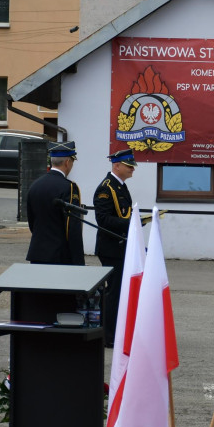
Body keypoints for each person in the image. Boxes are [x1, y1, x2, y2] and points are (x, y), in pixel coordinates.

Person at [93, 148, 136, 347]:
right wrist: (130, 223)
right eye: (129, 166)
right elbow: (103, 219)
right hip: (111, 248)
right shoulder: (106, 188)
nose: (132, 170)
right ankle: (108, 336)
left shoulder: (120, 186)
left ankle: (116, 331)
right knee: (113, 292)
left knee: (120, 292)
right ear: (116, 166)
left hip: (121, 245)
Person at [26, 141, 85, 266]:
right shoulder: (69, 187)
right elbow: (72, 227)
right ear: (67, 162)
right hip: (60, 255)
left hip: (37, 253)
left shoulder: (35, 185)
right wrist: (78, 260)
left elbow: (32, 222)